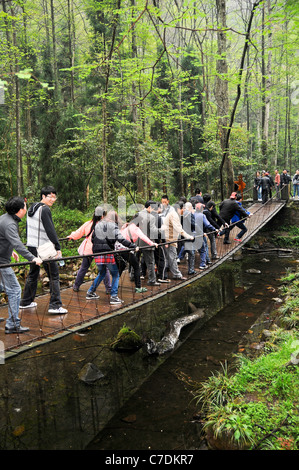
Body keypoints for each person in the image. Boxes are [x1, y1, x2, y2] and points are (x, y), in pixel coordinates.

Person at [20, 186, 68, 314]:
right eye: (50, 196)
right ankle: (55, 305)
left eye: (54, 196)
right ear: (43, 197)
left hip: (32, 246)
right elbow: (50, 230)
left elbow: (28, 228)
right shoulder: (45, 209)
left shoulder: (31, 209)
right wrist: (57, 247)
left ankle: (26, 302)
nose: (53, 199)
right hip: (43, 247)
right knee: (54, 275)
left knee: (33, 274)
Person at [0, 196, 42, 333]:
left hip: (2, 258)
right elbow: (18, 244)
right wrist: (33, 258)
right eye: (25, 206)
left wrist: (10, 250)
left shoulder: (4, 218)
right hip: (1, 262)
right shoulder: (10, 224)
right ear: (19, 210)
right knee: (15, 290)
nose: (26, 208)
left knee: (1, 287)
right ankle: (12, 324)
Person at [86, 207, 136, 304]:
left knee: (102, 273)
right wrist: (132, 246)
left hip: (97, 253)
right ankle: (114, 297)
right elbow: (120, 239)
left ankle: (90, 292)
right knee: (116, 274)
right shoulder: (112, 225)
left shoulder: (98, 225)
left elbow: (92, 239)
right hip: (107, 252)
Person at [67, 208, 111, 293]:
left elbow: (78, 233)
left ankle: (76, 286)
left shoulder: (88, 224)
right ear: (102, 216)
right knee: (104, 270)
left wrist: (71, 236)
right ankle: (108, 289)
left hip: (88, 250)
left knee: (83, 268)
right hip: (100, 250)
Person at [161, 201, 194, 280]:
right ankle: (176, 274)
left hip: (168, 239)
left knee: (168, 257)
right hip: (169, 240)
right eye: (183, 208)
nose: (184, 210)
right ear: (179, 208)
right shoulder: (174, 215)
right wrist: (188, 236)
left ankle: (164, 275)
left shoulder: (174, 214)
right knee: (172, 257)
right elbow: (179, 229)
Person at [135, 201, 160, 286]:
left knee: (135, 260)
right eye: (153, 208)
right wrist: (161, 230)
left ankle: (132, 277)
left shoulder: (138, 214)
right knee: (150, 262)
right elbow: (153, 231)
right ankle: (152, 280)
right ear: (149, 207)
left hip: (137, 242)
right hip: (147, 243)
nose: (153, 210)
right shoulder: (151, 217)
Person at [194, 203, 216, 269]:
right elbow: (208, 225)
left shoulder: (192, 214)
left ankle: (180, 259)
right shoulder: (202, 215)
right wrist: (215, 229)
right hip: (200, 234)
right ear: (201, 209)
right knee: (203, 248)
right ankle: (203, 264)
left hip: (192, 235)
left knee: (189, 250)